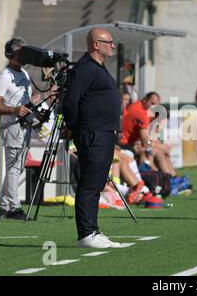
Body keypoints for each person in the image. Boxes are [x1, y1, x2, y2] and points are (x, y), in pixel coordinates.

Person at [63, 27, 124, 249]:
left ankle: (93, 230)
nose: (113, 45)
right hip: (92, 133)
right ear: (96, 44)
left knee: (96, 182)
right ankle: (86, 234)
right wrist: (72, 126)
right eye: (109, 42)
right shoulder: (85, 68)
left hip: (103, 133)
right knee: (89, 184)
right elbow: (71, 101)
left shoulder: (98, 68)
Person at [0, 37, 33, 220]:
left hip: (23, 125)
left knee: (17, 168)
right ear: (11, 55)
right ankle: (14, 207)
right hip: (12, 125)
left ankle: (4, 207)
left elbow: (26, 101)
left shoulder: (24, 73)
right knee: (14, 168)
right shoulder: (5, 75)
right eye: (20, 52)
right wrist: (14, 109)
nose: (23, 56)